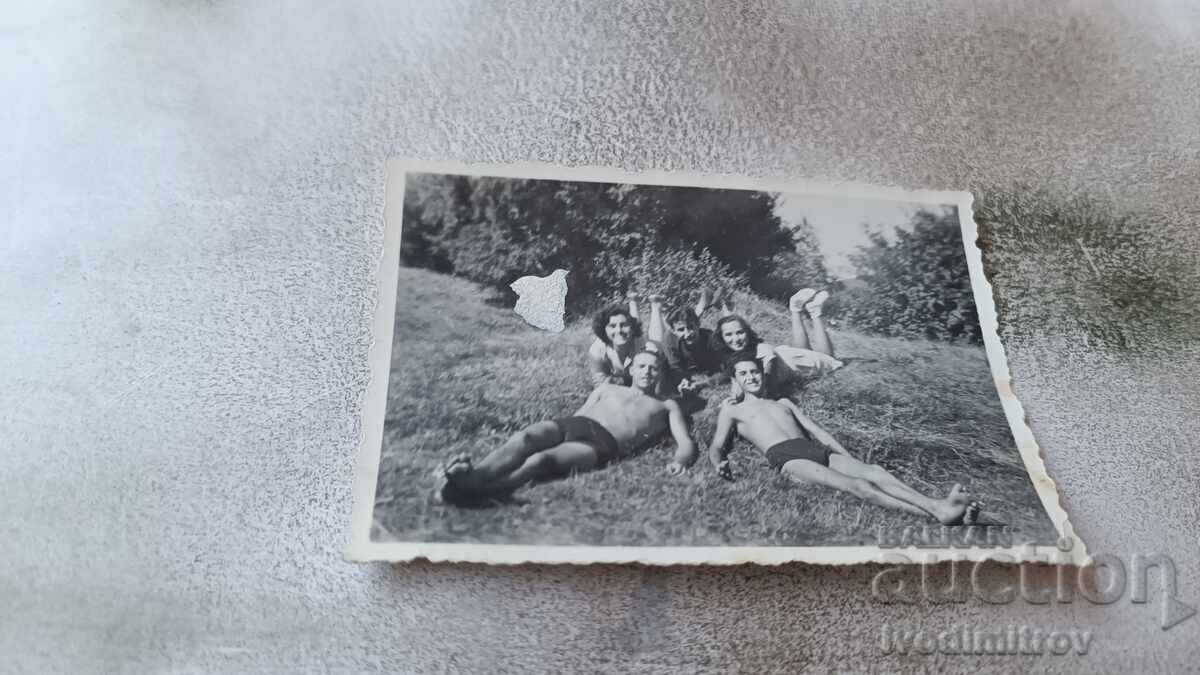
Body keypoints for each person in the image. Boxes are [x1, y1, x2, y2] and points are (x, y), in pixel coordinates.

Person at [706, 354, 978, 525]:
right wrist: (719, 462)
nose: (751, 377)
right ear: (735, 379)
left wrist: (845, 456)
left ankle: (941, 508)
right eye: (743, 374)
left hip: (814, 449)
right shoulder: (732, 409)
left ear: (761, 373)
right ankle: (935, 512)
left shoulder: (784, 402)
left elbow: (820, 433)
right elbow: (717, 445)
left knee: (874, 471)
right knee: (859, 485)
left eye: (754, 371)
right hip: (788, 458)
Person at [437, 350, 698, 504]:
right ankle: (476, 475)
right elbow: (580, 414)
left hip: (602, 443)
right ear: (631, 368)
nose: (647, 372)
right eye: (642, 366)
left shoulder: (666, 405)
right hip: (576, 424)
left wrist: (681, 461)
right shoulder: (607, 388)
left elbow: (685, 442)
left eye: (654, 369)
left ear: (660, 373)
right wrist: (560, 432)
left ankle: (484, 490)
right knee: (526, 437)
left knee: (542, 459)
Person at [710, 288, 843, 397]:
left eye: (740, 332)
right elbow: (730, 377)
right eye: (728, 335)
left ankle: (815, 312)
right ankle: (796, 310)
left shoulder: (760, 348)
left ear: (748, 333)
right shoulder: (732, 355)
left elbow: (769, 372)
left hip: (804, 363)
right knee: (804, 353)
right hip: (790, 357)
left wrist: (764, 394)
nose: (736, 339)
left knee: (830, 360)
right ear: (721, 338)